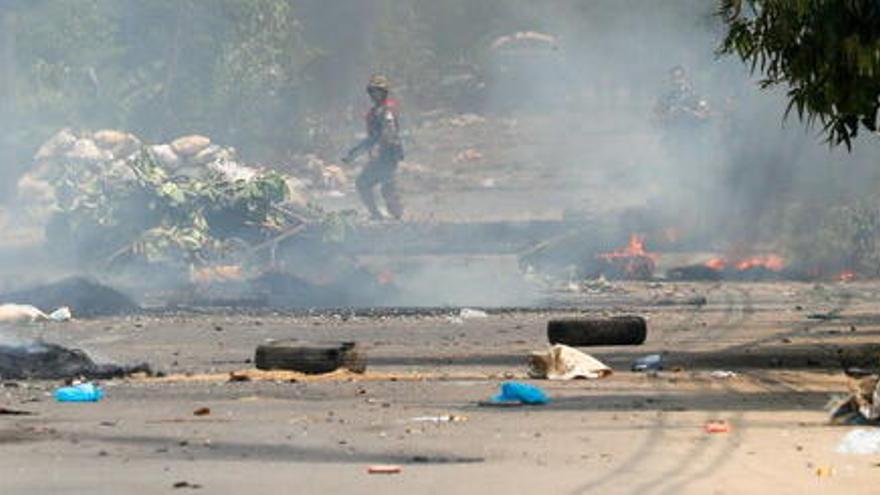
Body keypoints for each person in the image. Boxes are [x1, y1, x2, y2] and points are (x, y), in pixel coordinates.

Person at [342, 74, 404, 220]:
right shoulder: (377, 110)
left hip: (387, 155)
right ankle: (387, 216)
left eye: (379, 91)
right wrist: (355, 152)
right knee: (379, 185)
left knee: (373, 185)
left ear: (384, 93)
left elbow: (388, 132)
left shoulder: (386, 111)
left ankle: (393, 217)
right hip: (383, 154)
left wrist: (380, 149)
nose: (376, 95)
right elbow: (373, 138)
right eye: (373, 91)